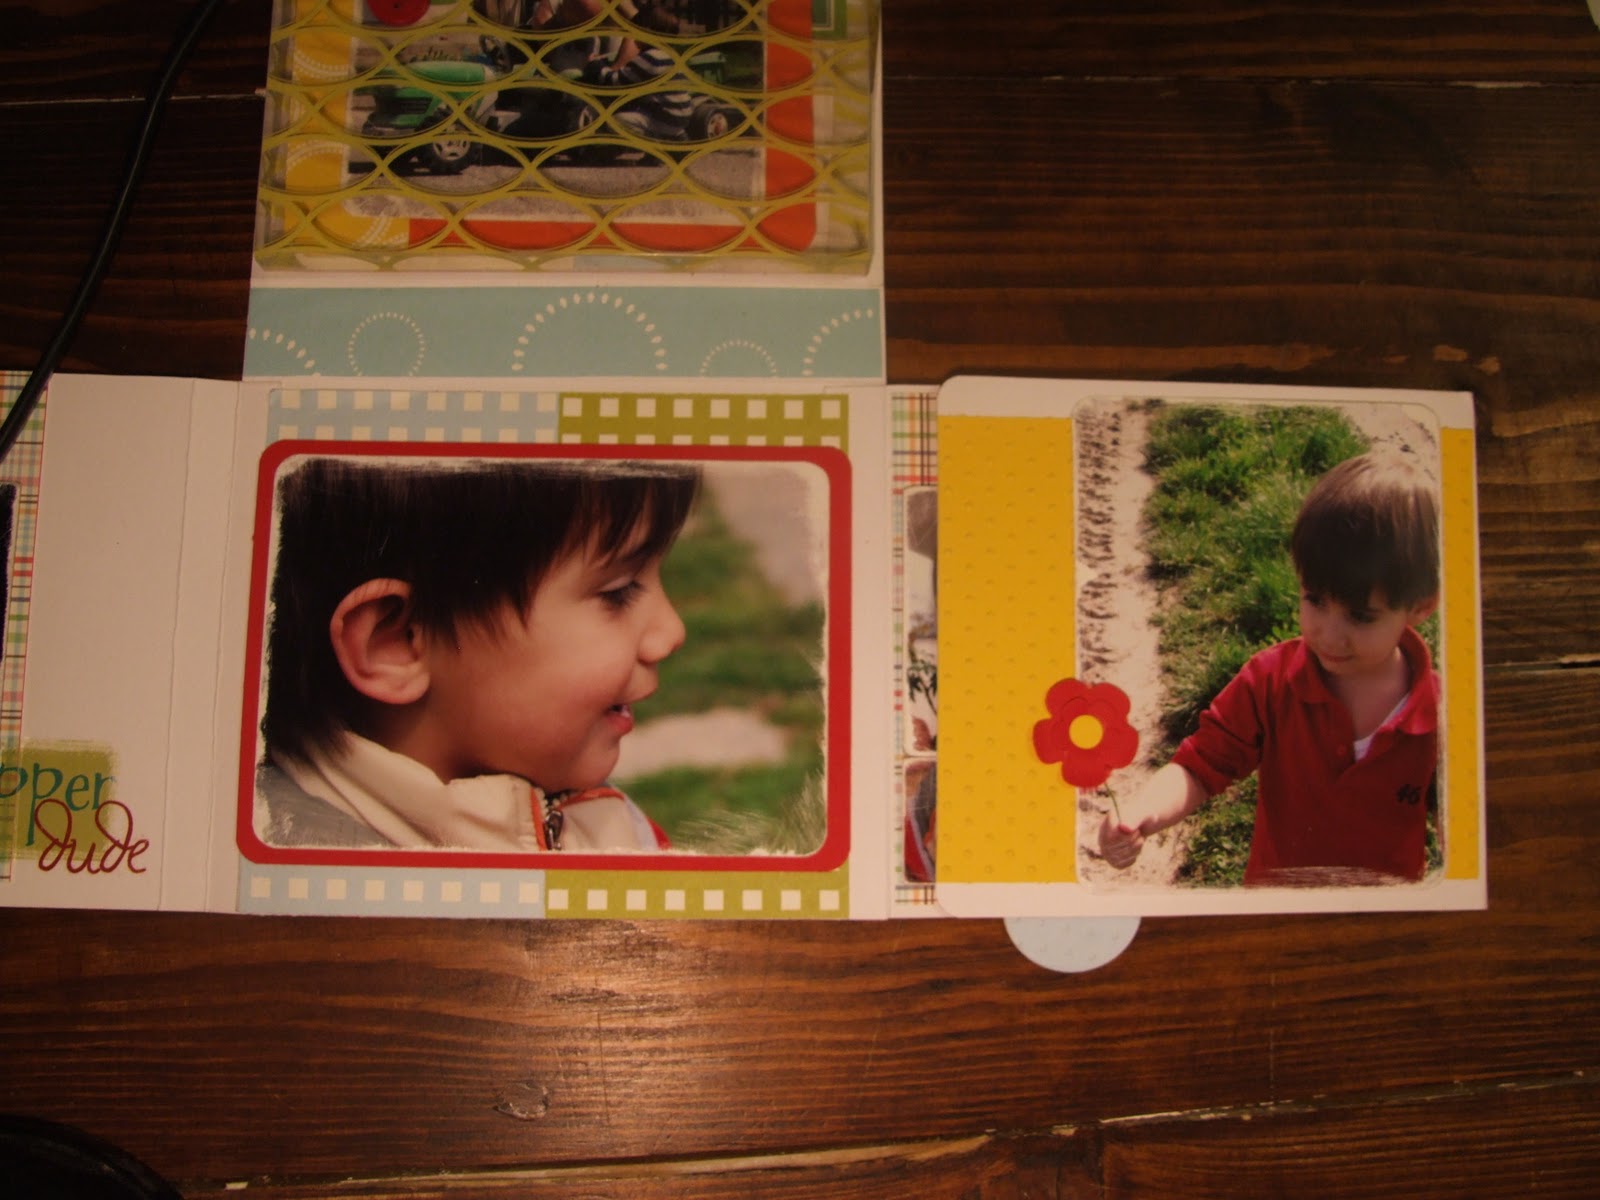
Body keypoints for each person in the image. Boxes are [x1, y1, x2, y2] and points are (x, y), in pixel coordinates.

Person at [254, 454, 698, 854]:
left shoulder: (596, 816)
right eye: (619, 591)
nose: (671, 633)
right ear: (398, 642)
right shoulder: (325, 888)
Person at [1099, 451, 1442, 885]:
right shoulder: (1270, 681)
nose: (1329, 634)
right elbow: (1199, 766)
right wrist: (1140, 813)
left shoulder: (1443, 712)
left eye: (1360, 616)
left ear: (1420, 607)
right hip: (1277, 903)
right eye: (1315, 600)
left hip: (1386, 912)